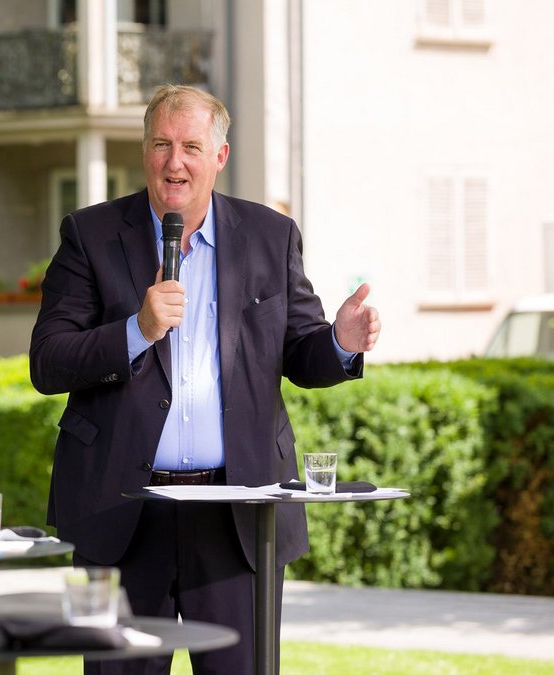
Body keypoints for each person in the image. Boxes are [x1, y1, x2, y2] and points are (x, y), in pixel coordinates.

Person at [29, 84, 380, 674]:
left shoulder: (269, 237)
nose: (174, 161)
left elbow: (300, 350)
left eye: (191, 146)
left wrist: (340, 342)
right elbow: (49, 361)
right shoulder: (89, 236)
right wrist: (137, 330)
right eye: (161, 144)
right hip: (124, 513)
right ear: (144, 151)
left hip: (238, 515)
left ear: (219, 157)